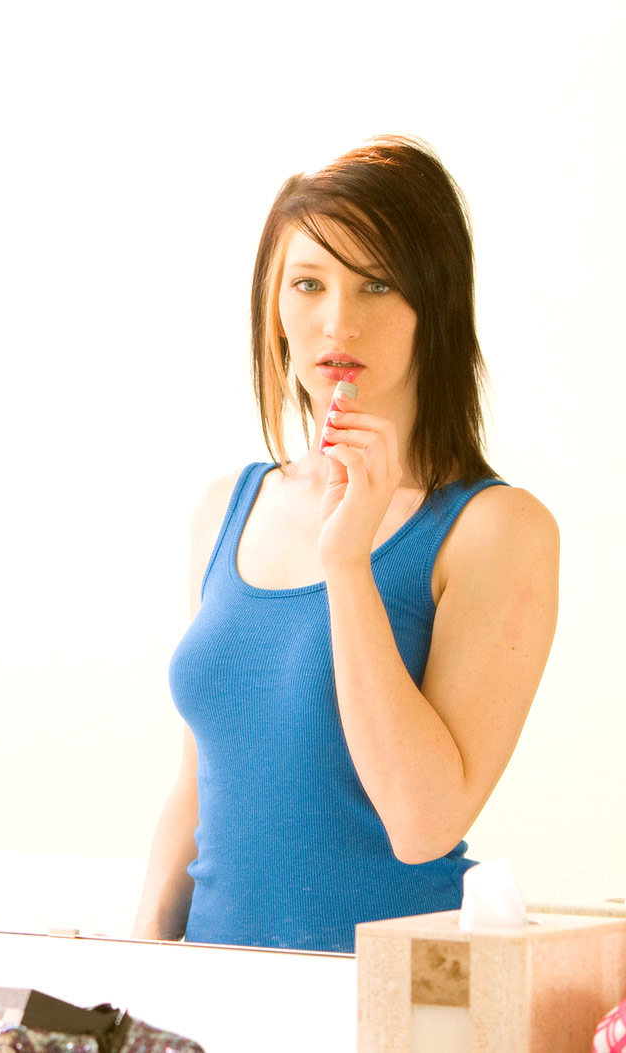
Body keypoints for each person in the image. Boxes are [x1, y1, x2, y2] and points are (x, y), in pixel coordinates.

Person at [132, 136, 559, 954]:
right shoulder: (226, 508)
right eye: (308, 283)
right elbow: (195, 787)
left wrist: (348, 564)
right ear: (273, 308)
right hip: (211, 997)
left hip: (388, 998)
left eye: (378, 283)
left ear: (435, 306)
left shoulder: (497, 529)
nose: (337, 321)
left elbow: (423, 823)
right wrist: (140, 972)